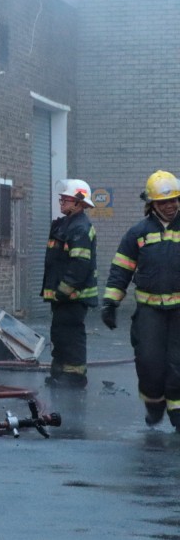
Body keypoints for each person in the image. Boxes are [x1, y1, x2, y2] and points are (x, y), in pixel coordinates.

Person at [102, 170, 180, 430]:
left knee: (177, 364)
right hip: (150, 312)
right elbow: (121, 268)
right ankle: (155, 405)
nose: (171, 206)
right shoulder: (138, 233)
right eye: (164, 202)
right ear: (152, 204)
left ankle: (178, 411)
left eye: (174, 201)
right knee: (148, 362)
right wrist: (111, 302)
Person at [41, 179, 98, 388]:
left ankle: (75, 376)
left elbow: (79, 264)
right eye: (62, 198)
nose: (62, 201)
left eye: (66, 199)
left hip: (73, 296)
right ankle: (59, 372)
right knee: (59, 333)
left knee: (71, 335)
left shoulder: (81, 228)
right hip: (62, 296)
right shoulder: (64, 225)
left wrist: (64, 290)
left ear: (79, 202)